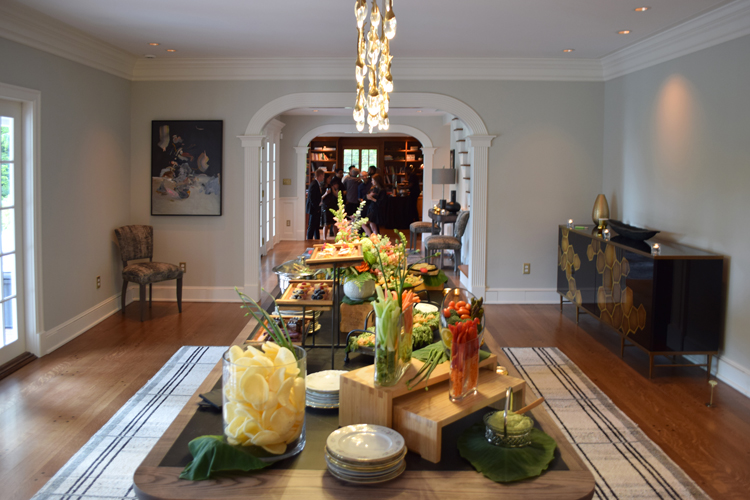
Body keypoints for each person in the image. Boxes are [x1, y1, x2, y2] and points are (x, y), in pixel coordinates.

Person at [306, 168, 326, 240]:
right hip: (314, 209)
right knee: (312, 226)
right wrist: (317, 208)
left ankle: (317, 239)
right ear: (320, 176)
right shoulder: (314, 184)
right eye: (323, 176)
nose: (323, 178)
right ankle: (309, 240)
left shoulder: (316, 183)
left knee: (316, 226)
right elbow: (312, 198)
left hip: (316, 208)